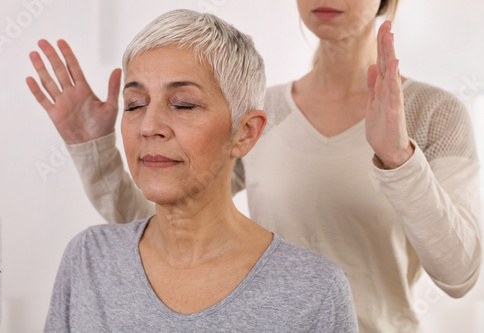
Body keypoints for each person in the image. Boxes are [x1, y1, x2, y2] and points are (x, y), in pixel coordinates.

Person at [27, 1, 481, 332]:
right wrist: (95, 148)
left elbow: (460, 273)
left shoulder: (432, 114)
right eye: (137, 104)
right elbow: (172, 225)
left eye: (183, 103)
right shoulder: (264, 110)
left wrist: (398, 159)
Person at [34, 9, 358, 333]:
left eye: (183, 104)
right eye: (134, 104)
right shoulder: (89, 258)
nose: (148, 126)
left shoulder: (314, 291)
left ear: (244, 133)